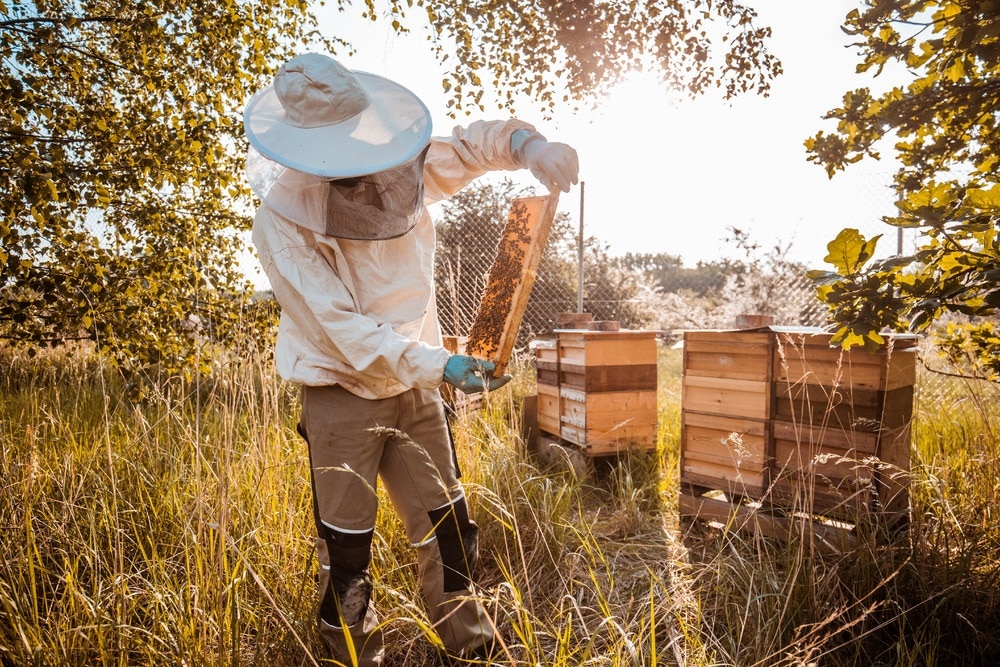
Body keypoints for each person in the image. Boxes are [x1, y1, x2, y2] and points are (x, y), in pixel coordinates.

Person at [244, 52, 579, 665]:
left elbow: (472, 147)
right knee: (346, 551)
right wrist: (441, 366)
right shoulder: (283, 220)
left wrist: (529, 145)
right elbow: (341, 329)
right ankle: (351, 654)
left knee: (450, 530)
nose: (367, 177)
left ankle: (470, 646)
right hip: (340, 393)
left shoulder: (401, 161)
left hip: (419, 388)